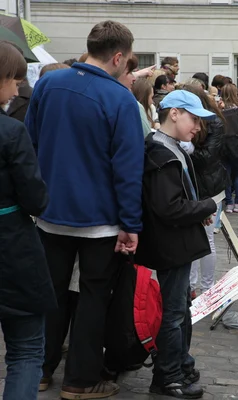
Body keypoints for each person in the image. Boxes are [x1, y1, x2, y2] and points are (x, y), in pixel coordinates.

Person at [25, 20, 143, 399]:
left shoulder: (48, 85)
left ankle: (40, 371)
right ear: (119, 56)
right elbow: (127, 169)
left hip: (51, 213)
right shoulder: (121, 99)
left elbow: (30, 145)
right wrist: (131, 224)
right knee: (93, 299)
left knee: (53, 295)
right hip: (100, 221)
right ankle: (79, 380)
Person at [136, 90, 217, 399]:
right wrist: (205, 207)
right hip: (171, 244)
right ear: (174, 113)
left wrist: (198, 208)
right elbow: (169, 208)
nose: (197, 126)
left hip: (176, 243)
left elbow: (177, 200)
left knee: (180, 308)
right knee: (174, 313)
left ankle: (178, 366)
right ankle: (168, 375)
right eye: (194, 119)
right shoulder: (162, 152)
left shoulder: (170, 149)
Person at [0, 40, 56, 400]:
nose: (18, 87)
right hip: (11, 249)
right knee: (26, 348)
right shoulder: (10, 131)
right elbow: (36, 199)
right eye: (14, 79)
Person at [182, 81, 230, 295]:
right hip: (189, 186)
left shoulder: (214, 123)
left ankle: (208, 288)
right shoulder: (185, 120)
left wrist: (188, 148)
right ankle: (191, 286)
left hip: (209, 188)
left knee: (207, 237)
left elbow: (209, 158)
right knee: (191, 237)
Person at [221, 83, 238, 213]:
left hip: (223, 145)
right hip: (237, 144)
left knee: (226, 173)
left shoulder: (220, 110)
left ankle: (228, 203)